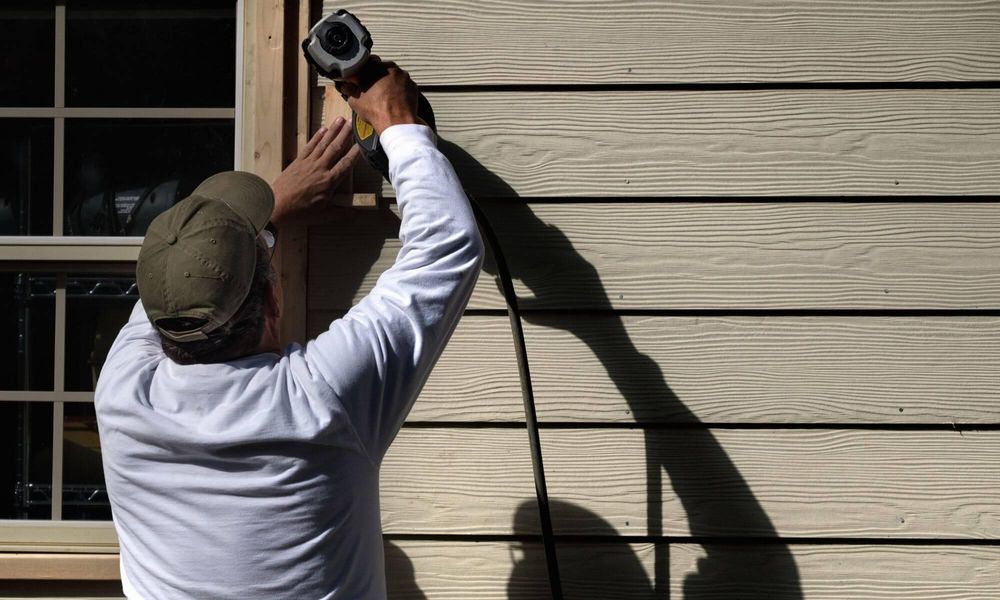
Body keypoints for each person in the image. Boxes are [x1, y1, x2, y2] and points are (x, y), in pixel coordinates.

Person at [94, 60, 484, 599]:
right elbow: (446, 248)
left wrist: (272, 208)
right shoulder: (321, 398)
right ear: (274, 299)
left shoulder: (120, 390)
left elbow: (180, 287)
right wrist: (396, 120)